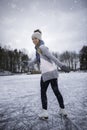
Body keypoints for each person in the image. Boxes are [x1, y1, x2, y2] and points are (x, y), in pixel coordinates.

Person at [24, 29, 70, 119]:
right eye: (32, 39)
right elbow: (36, 60)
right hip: (52, 73)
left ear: (39, 38)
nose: (33, 40)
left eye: (35, 38)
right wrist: (28, 63)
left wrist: (62, 66)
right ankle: (63, 110)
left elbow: (52, 57)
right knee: (56, 91)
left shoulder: (42, 47)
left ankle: (45, 113)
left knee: (43, 92)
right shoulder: (39, 49)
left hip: (47, 73)